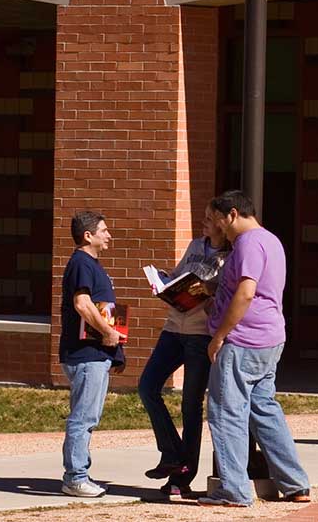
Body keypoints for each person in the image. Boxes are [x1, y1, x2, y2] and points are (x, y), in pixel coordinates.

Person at [200, 190, 312, 508]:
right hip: (269, 337)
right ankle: (295, 483)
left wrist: (219, 335)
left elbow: (247, 293)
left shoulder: (248, 244)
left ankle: (234, 489)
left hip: (243, 341)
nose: (217, 226)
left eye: (218, 219)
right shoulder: (271, 241)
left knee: (226, 413)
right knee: (264, 409)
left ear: (232, 214)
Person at [137, 217, 229, 498]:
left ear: (223, 225)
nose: (205, 221)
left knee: (191, 405)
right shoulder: (194, 245)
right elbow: (180, 274)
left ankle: (182, 476)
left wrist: (204, 293)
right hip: (173, 328)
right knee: (147, 387)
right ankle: (172, 453)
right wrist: (165, 282)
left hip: (200, 334)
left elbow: (223, 295)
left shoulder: (230, 258)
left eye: (211, 218)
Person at [59, 211, 128, 498]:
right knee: (83, 418)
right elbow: (83, 305)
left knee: (88, 416)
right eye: (104, 230)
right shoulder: (81, 263)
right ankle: (75, 477)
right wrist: (108, 334)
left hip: (96, 355)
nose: (108, 235)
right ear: (88, 235)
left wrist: (115, 348)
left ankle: (79, 474)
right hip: (86, 355)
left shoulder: (89, 265)